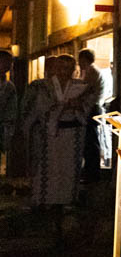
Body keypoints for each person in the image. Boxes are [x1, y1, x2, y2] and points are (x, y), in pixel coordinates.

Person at [22, 55, 89, 243]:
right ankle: (48, 216)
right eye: (61, 67)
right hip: (49, 138)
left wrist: (78, 106)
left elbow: (86, 109)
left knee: (67, 172)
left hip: (71, 136)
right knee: (49, 172)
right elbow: (41, 109)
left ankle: (63, 212)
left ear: (74, 70)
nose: (64, 72)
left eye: (69, 68)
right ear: (54, 68)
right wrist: (60, 108)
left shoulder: (80, 87)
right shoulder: (43, 86)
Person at [77, 49, 112, 184]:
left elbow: (84, 90)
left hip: (92, 109)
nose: (79, 63)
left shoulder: (92, 71)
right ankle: (90, 173)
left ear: (85, 59)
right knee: (90, 141)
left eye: (80, 60)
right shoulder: (92, 71)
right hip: (93, 108)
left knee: (90, 142)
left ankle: (92, 174)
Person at [0, 51, 18, 178]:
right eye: (5, 61)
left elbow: (12, 110)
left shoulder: (10, 86)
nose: (8, 65)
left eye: (9, 63)